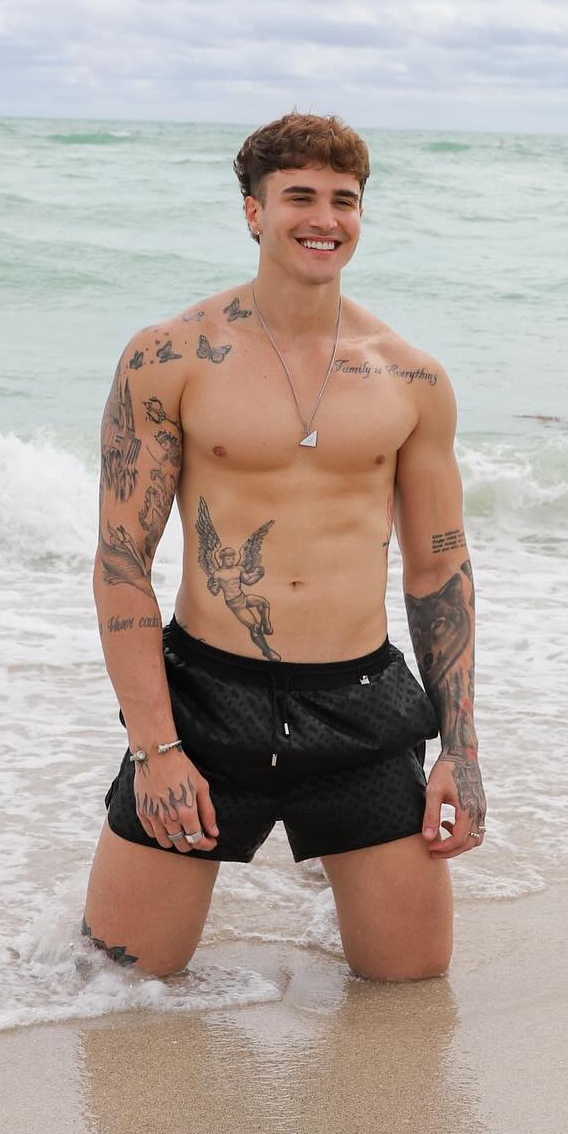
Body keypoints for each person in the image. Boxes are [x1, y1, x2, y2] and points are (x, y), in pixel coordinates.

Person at [82, 111, 485, 982]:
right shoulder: (170, 357)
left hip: (360, 704)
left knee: (410, 988)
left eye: (345, 200)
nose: (324, 218)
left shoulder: (410, 378)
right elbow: (121, 566)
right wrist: (156, 748)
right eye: (300, 196)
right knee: (115, 982)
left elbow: (438, 571)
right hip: (207, 701)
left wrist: (461, 750)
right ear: (253, 210)